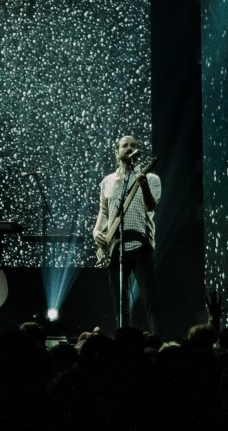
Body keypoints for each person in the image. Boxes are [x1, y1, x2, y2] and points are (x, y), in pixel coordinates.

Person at [92, 135, 161, 333]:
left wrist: (143, 183)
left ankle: (157, 342)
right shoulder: (107, 181)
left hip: (141, 246)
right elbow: (104, 211)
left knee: (151, 301)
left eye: (134, 145)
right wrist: (97, 231)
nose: (130, 148)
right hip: (115, 248)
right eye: (125, 145)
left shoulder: (151, 178)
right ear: (117, 152)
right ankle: (124, 341)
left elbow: (151, 206)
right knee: (120, 304)